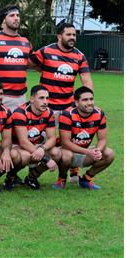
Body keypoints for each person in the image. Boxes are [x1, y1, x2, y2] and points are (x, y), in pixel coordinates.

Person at [29, 22, 94, 183]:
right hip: (46, 106)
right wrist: (44, 69)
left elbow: (86, 80)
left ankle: (73, 169)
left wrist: (87, 101)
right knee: (41, 139)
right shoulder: (46, 51)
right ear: (59, 36)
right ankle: (34, 170)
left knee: (70, 139)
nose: (72, 38)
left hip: (67, 107)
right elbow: (30, 63)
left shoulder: (79, 56)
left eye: (74, 35)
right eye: (68, 34)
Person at [53, 86, 115, 190]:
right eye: (85, 100)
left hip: (85, 152)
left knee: (109, 154)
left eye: (91, 99)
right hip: (66, 152)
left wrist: (97, 150)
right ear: (76, 103)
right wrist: (88, 152)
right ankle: (62, 179)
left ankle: (86, 179)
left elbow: (102, 139)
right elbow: (65, 143)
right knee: (67, 155)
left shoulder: (99, 114)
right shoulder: (67, 114)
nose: (89, 102)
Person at [10, 85, 61, 190]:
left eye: (47, 98)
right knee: (25, 156)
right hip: (16, 146)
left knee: (56, 153)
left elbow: (52, 138)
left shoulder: (49, 112)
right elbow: (23, 142)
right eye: (41, 98)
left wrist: (42, 149)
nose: (45, 102)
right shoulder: (20, 112)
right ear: (32, 99)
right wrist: (46, 159)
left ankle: (31, 178)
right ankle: (10, 177)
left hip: (36, 145)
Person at [0, 5, 34, 111]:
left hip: (21, 97)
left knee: (19, 127)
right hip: (1, 96)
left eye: (17, 15)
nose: (16, 18)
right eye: (11, 15)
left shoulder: (25, 42)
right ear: (4, 20)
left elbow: (31, 63)